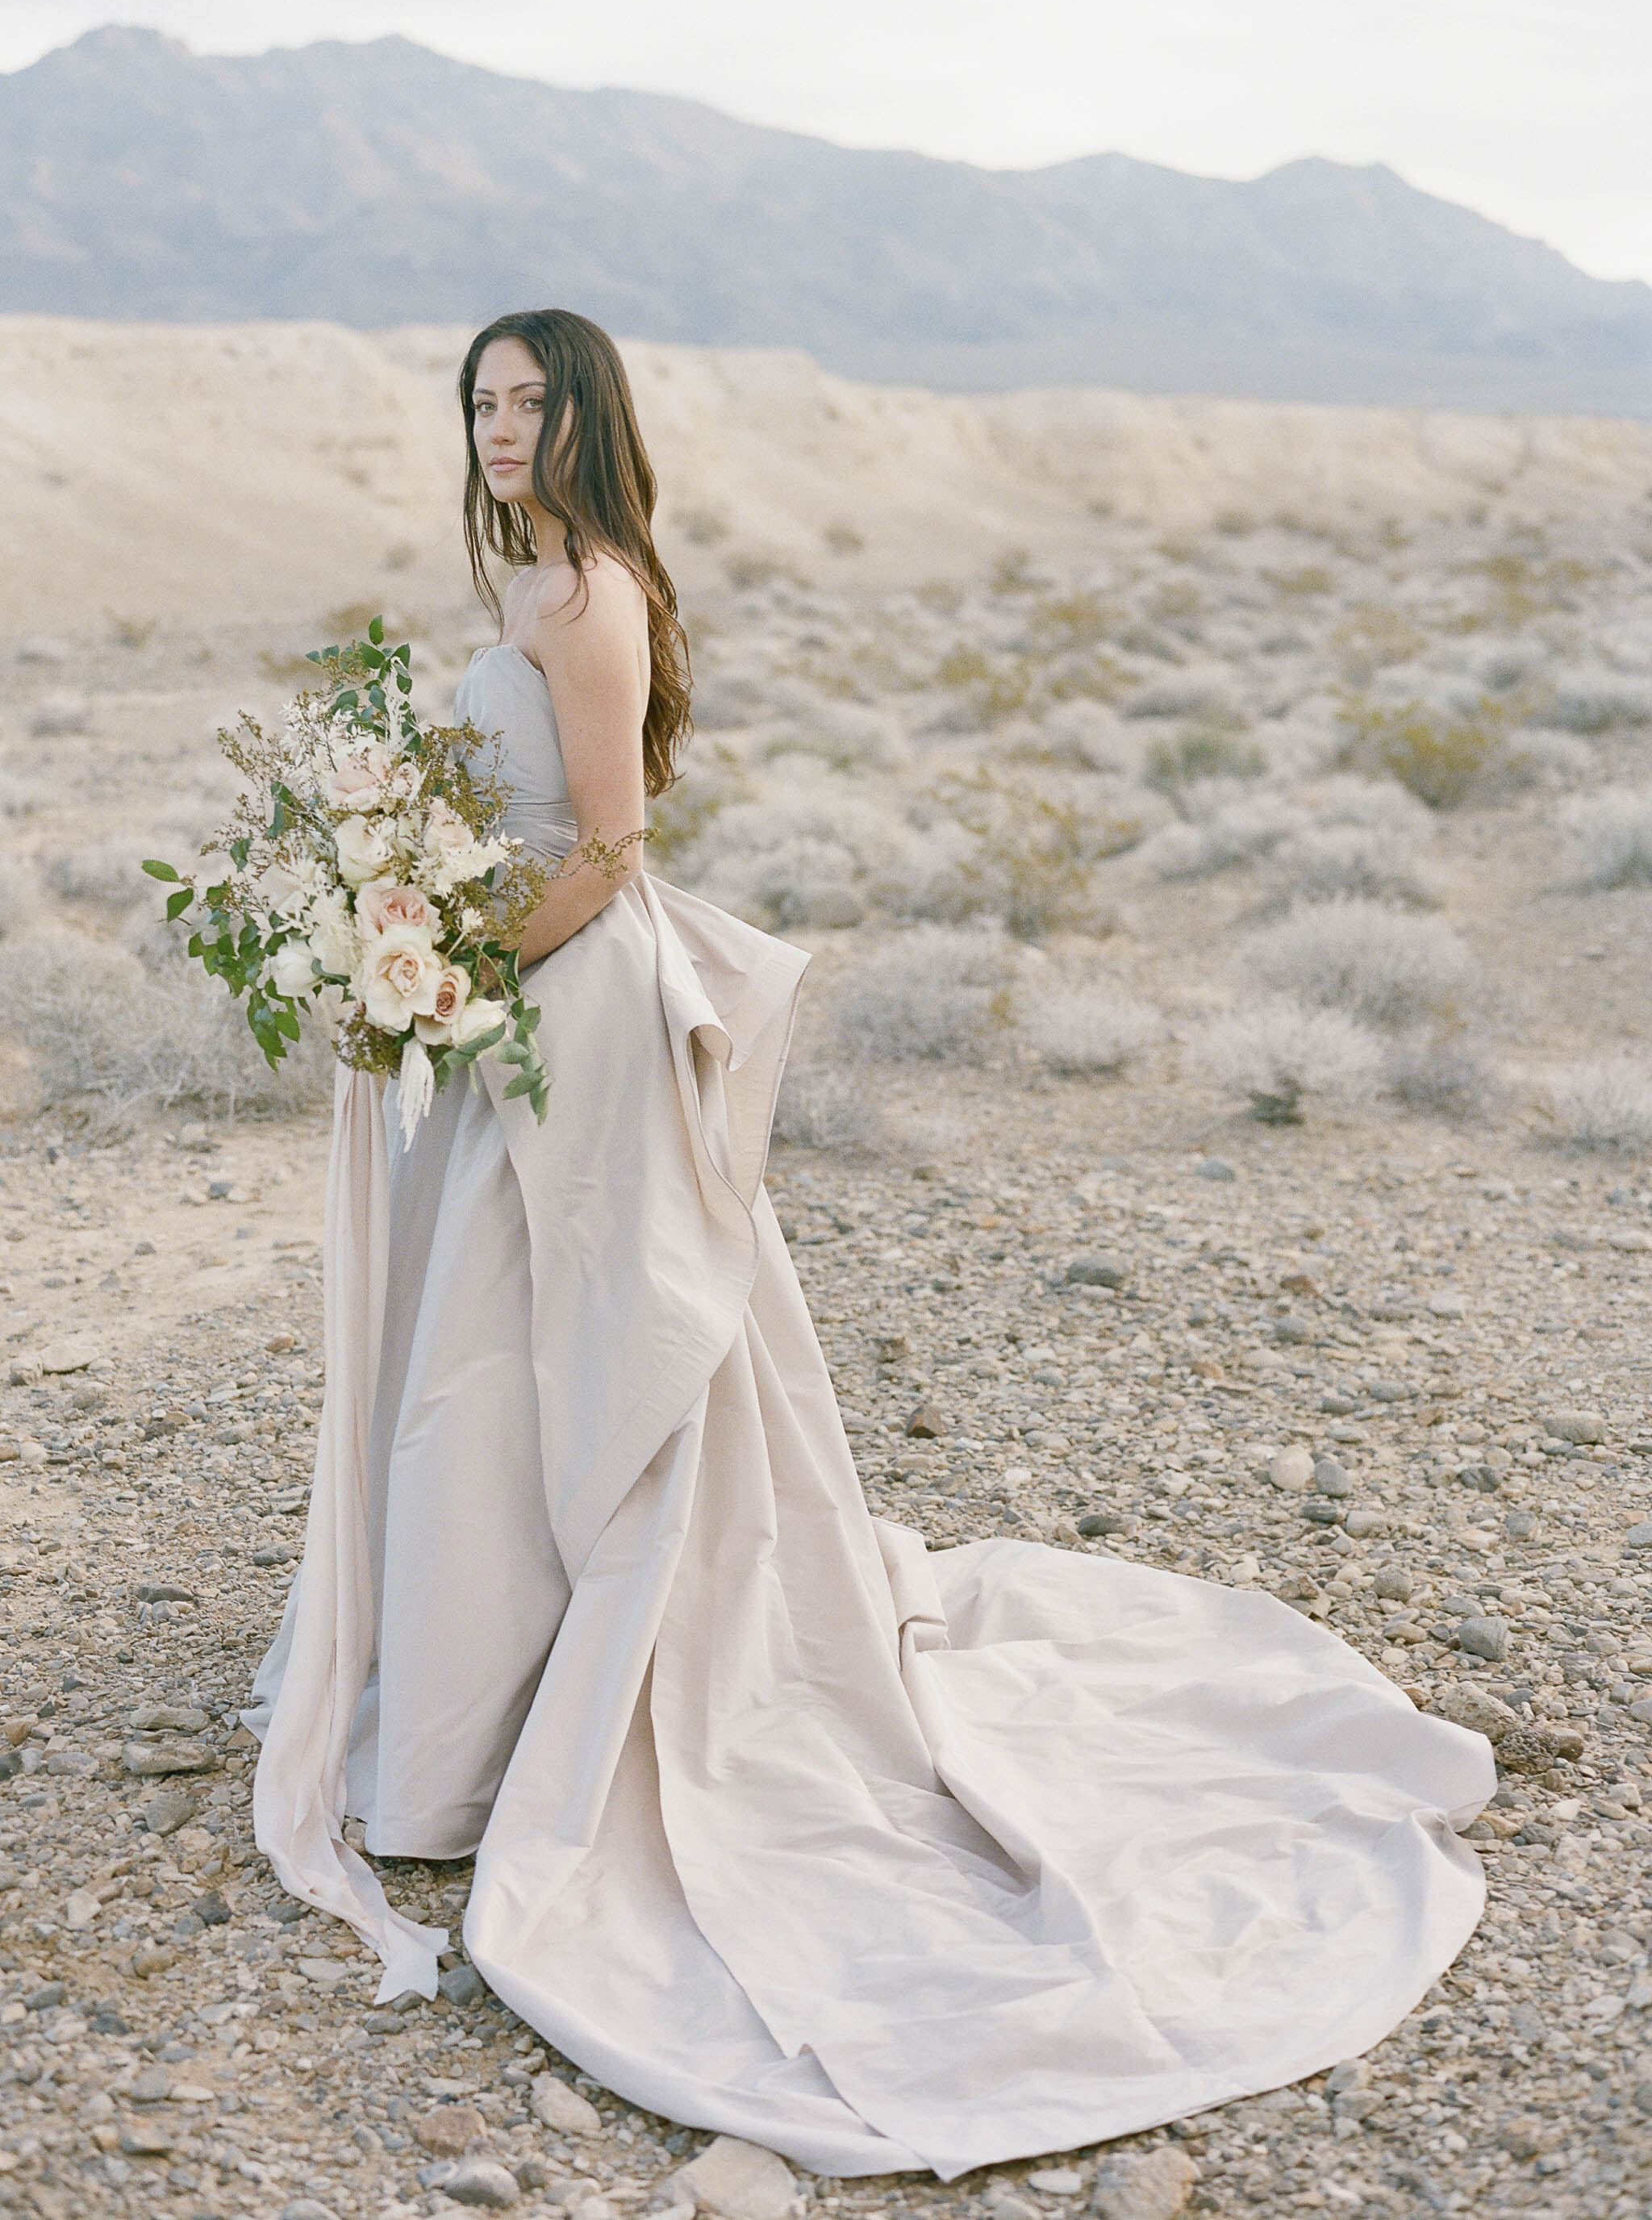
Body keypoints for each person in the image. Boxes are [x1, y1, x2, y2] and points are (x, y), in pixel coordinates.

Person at [245, 307, 1495, 2182]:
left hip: (562, 1013)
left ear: (586, 415)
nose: (500, 430)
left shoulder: (590, 601)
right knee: (488, 1368)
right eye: (481, 404)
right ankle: (471, 1698)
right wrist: (388, 918)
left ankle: (534, 1717)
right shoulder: (526, 585)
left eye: (529, 402)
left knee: (574, 1359)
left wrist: (437, 972)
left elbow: (605, 842)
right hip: (512, 1011)